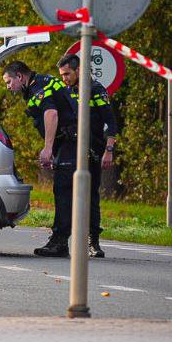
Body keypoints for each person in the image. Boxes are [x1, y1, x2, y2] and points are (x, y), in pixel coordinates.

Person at [2, 60, 76, 257]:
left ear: (20, 76)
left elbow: (51, 114)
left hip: (69, 143)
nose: (8, 87)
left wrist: (48, 148)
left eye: (9, 82)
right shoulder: (39, 83)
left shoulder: (38, 87)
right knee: (66, 192)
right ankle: (64, 240)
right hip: (68, 142)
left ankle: (59, 243)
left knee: (63, 192)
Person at [57, 53, 119, 258]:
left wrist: (109, 150)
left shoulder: (95, 90)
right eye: (61, 75)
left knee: (91, 197)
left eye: (67, 74)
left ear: (79, 70)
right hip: (71, 150)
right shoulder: (66, 90)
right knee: (65, 194)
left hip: (93, 151)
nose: (64, 78)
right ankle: (61, 241)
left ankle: (93, 241)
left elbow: (110, 121)